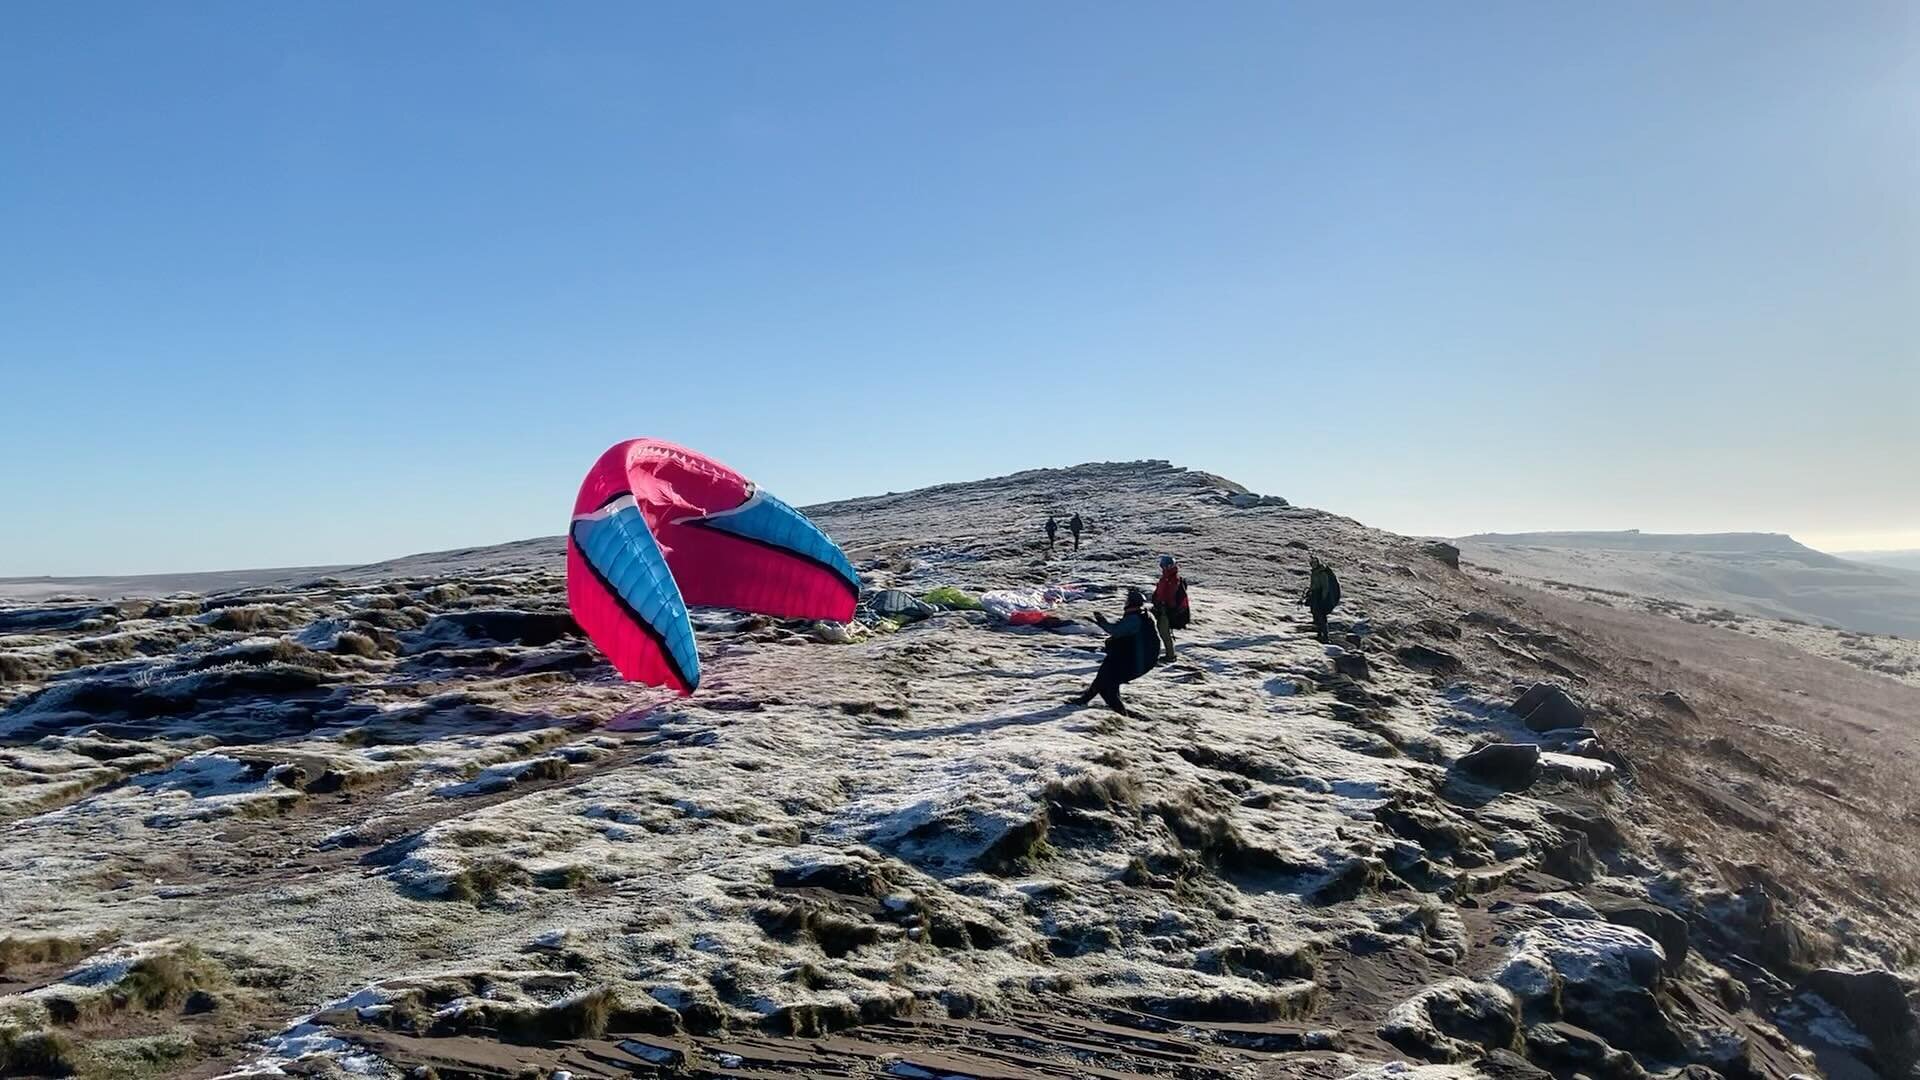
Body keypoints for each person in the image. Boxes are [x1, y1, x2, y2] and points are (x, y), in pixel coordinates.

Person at [1071, 588, 1159, 715]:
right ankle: (1083, 701)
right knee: (1103, 676)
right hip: (1130, 657)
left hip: (1136, 661)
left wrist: (1102, 622)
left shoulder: (1134, 619)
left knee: (1107, 686)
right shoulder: (1143, 615)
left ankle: (1122, 716)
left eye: (1127, 600)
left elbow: (1115, 630)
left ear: (1131, 603)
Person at [1150, 555, 1188, 662]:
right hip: (1163, 608)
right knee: (1163, 632)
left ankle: (1170, 656)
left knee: (1164, 633)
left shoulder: (1172, 579)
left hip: (1165, 610)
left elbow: (1167, 595)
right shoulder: (1168, 577)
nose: (1163, 567)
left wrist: (1162, 604)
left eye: (1164, 565)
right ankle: (1169, 654)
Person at [1303, 556, 1342, 643]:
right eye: (1311, 563)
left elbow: (1325, 587)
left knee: (1320, 615)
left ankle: (1324, 635)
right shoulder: (1315, 573)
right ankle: (1319, 633)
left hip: (1319, 597)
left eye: (1314, 563)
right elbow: (1313, 584)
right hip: (1315, 595)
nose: (1312, 565)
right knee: (1315, 614)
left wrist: (1324, 598)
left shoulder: (1322, 573)